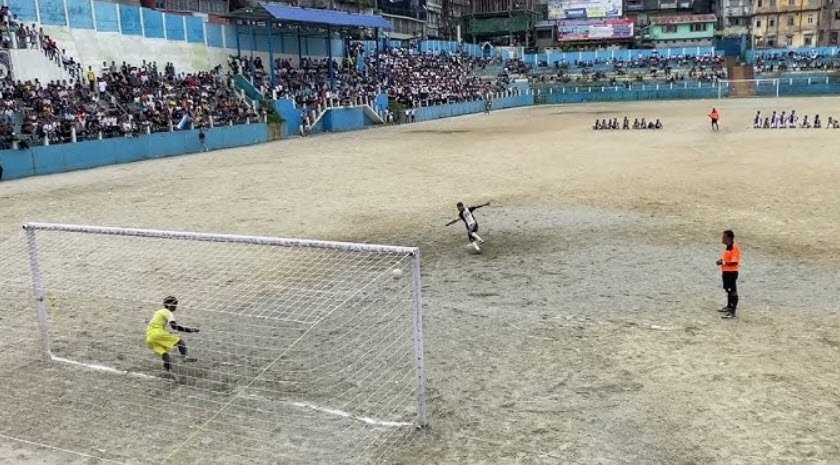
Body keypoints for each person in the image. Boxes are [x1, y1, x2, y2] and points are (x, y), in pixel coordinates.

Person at [145, 296, 199, 379]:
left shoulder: (158, 312)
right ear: (170, 305)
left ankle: (170, 372)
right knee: (179, 341)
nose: (176, 307)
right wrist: (190, 330)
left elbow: (155, 325)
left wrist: (167, 333)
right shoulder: (168, 312)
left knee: (165, 354)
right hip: (157, 333)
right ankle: (185, 357)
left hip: (149, 338)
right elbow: (174, 326)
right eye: (175, 305)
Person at [716, 230, 741, 319]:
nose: (722, 239)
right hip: (726, 272)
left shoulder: (734, 247)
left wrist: (722, 262)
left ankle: (732, 312)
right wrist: (722, 260)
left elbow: (734, 262)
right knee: (729, 290)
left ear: (729, 238)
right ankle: (729, 306)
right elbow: (728, 258)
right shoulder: (728, 246)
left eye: (724, 237)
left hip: (731, 273)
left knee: (732, 291)